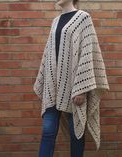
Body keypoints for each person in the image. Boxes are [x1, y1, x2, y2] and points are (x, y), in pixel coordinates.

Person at [33, 0, 110, 157]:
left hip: (74, 87)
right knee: (48, 131)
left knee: (76, 133)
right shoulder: (55, 21)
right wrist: (46, 81)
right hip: (53, 86)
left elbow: (88, 52)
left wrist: (81, 89)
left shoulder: (83, 18)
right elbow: (49, 54)